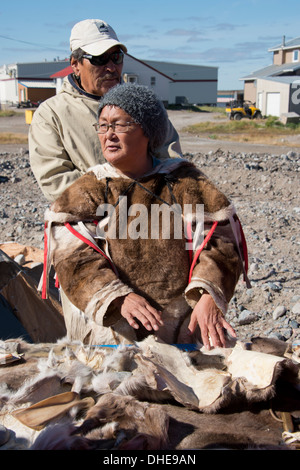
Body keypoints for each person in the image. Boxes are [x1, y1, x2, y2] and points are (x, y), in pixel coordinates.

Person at [44, 84, 249, 349]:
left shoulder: (186, 183)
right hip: (112, 337)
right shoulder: (88, 190)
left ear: (147, 131)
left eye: (120, 125)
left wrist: (208, 293)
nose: (109, 135)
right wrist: (118, 297)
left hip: (183, 330)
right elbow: (72, 257)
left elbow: (221, 243)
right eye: (103, 126)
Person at [29, 19, 182, 202]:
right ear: (75, 64)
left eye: (116, 57)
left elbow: (172, 162)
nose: (111, 67)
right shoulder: (51, 115)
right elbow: (55, 182)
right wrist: (121, 192)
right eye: (99, 59)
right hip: (90, 224)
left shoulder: (146, 105)